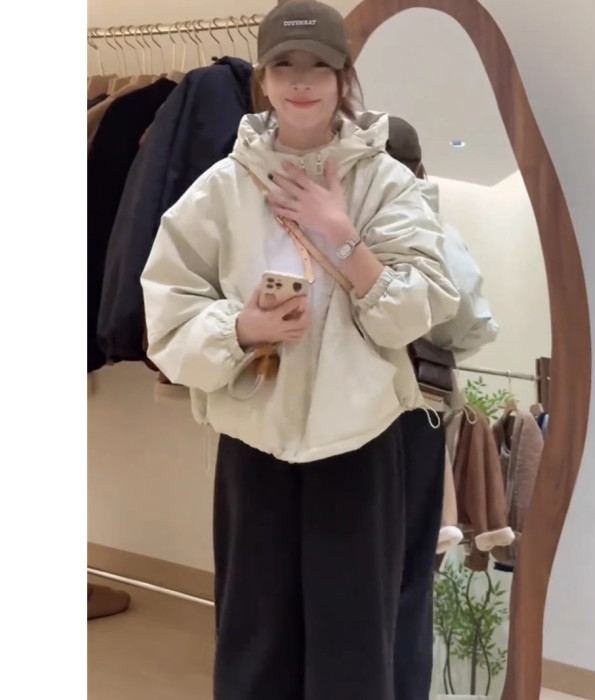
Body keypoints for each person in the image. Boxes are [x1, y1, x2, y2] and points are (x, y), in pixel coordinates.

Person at [140, 3, 460, 700]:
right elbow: (166, 312)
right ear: (263, 77)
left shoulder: (386, 183)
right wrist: (243, 328)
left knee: (354, 650)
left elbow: (423, 307)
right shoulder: (222, 188)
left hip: (361, 439)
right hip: (254, 438)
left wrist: (341, 236)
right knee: (254, 643)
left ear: (344, 77)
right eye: (285, 65)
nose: (302, 81)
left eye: (319, 64)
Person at [386, 115, 498, 700]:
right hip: (412, 413)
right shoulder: (427, 224)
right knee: (409, 580)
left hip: (335, 423)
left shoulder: (330, 215)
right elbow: (473, 323)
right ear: (422, 169)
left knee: (347, 580)